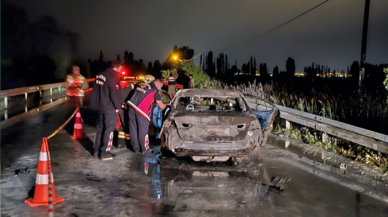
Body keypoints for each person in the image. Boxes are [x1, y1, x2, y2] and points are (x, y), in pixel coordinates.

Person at [89, 60, 123, 160]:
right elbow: (114, 93)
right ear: (116, 67)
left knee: (100, 128)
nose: (121, 70)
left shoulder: (100, 75)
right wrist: (118, 107)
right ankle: (104, 152)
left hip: (100, 107)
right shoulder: (113, 76)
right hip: (109, 107)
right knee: (109, 129)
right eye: (121, 67)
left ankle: (96, 150)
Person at [127, 78, 168, 153]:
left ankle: (135, 148)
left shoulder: (143, 85)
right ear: (157, 84)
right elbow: (161, 106)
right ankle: (144, 148)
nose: (160, 88)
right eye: (160, 86)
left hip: (131, 106)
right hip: (141, 111)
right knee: (143, 130)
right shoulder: (155, 90)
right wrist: (168, 106)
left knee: (133, 129)